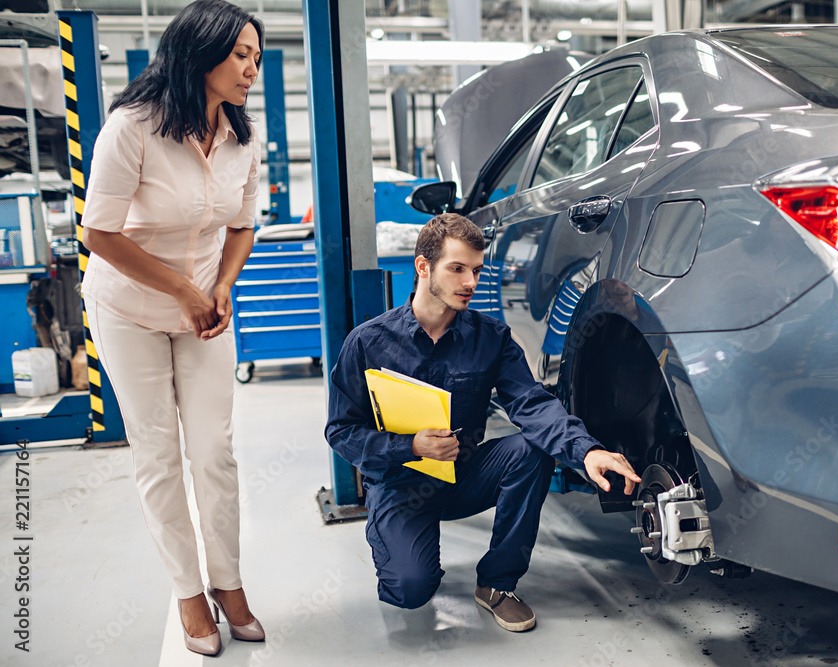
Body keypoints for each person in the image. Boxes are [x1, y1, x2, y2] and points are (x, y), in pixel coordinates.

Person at [326, 212, 641, 632]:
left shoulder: (491, 337)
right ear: (423, 267)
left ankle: (496, 584)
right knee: (411, 591)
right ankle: (404, 545)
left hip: (466, 474)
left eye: (476, 270)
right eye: (457, 269)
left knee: (532, 448)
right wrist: (412, 446)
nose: (470, 282)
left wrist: (588, 451)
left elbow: (532, 403)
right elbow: (341, 430)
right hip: (402, 483)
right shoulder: (368, 342)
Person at [80, 0, 265, 656]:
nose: (251, 68)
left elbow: (242, 225)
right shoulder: (132, 128)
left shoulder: (245, 135)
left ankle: (229, 581)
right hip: (130, 308)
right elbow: (99, 233)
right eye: (241, 54)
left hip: (205, 315)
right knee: (157, 453)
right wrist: (185, 289)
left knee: (214, 451)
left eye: (256, 56)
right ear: (200, 53)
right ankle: (189, 591)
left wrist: (218, 287)